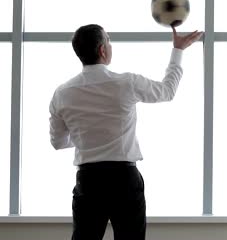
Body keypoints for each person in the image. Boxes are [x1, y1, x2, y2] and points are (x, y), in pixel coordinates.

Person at [48, 24, 203, 240]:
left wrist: (87, 135)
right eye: (109, 41)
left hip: (89, 180)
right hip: (124, 179)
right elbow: (167, 91)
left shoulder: (62, 93)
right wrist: (178, 51)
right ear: (103, 50)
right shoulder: (126, 83)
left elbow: (57, 142)